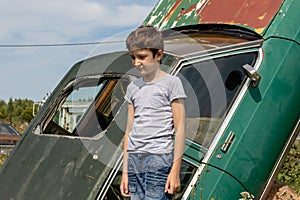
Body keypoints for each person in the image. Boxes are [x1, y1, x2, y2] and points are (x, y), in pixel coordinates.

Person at [120, 25, 186, 200]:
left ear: (158, 55)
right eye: (133, 58)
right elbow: (129, 131)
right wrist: (125, 172)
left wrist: (175, 170)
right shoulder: (133, 87)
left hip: (158, 159)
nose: (136, 63)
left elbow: (180, 129)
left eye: (142, 57)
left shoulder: (172, 83)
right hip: (134, 160)